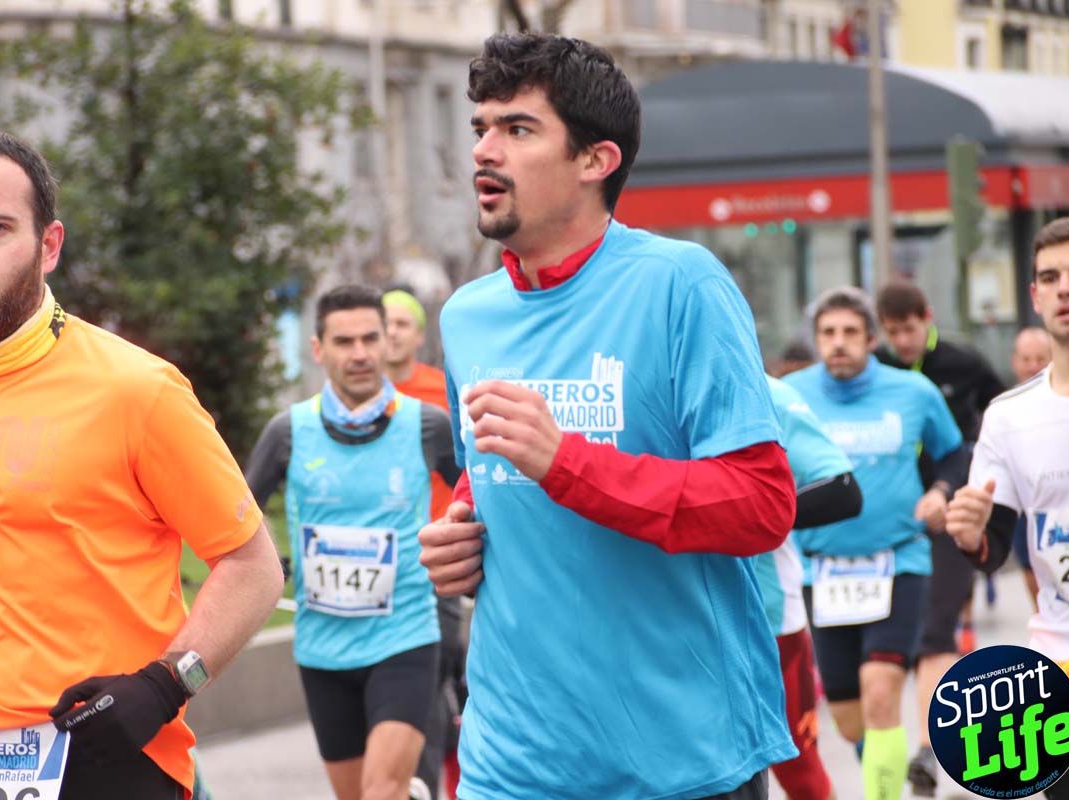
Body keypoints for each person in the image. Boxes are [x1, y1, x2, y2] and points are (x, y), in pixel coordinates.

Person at [419, 33, 799, 800]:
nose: (485, 151)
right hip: (511, 762)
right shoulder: (466, 316)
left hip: (677, 760)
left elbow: (762, 506)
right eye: (479, 128)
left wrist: (568, 464)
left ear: (597, 160)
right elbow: (488, 475)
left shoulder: (680, 285)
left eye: (518, 129)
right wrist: (462, 529)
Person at [0, 129, 284, 800]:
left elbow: (252, 567)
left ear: (49, 245)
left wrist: (166, 685)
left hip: (105, 756)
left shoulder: (138, 389)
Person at [245, 285, 460, 800]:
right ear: (319, 349)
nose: (359, 353)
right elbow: (238, 514)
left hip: (405, 638)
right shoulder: (288, 431)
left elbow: (479, 499)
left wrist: (463, 544)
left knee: (381, 791)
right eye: (344, 341)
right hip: (322, 649)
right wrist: (269, 562)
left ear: (388, 343)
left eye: (370, 338)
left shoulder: (427, 425)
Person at [785, 286, 966, 800]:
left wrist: (941, 491)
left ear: (870, 338)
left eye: (849, 333)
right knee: (847, 717)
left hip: (898, 559)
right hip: (820, 570)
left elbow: (954, 454)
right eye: (827, 333)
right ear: (817, 340)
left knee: (881, 691)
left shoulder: (912, 392)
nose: (838, 343)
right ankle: (882, 773)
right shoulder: (791, 395)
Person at [945, 216, 1069, 799]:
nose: (1065, 288)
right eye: (1051, 276)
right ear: (1033, 295)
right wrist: (971, 534)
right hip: (1066, 673)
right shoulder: (1009, 416)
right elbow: (994, 546)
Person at [873, 281, 1005, 796]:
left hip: (951, 515)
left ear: (926, 317)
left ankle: (928, 747)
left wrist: (977, 471)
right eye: (892, 332)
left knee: (936, 632)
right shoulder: (876, 368)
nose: (903, 341)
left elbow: (1000, 415)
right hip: (891, 523)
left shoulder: (962, 362)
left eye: (910, 329)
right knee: (892, 641)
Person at [756, 377, 862, 800]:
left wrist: (740, 513)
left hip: (767, 618)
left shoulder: (768, 393)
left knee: (797, 767)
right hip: (669, 618)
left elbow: (843, 492)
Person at [381, 287, 466, 800]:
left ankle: (427, 784)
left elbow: (466, 470)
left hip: (434, 560)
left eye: (400, 324)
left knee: (433, 680)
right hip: (375, 564)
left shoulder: (439, 390)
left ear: (416, 334)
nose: (391, 333)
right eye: (383, 323)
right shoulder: (352, 400)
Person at [1008, 325, 1052, 611]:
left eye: (1040, 358)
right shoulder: (1005, 408)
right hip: (1024, 504)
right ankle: (1043, 622)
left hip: (1066, 505)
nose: (1032, 366)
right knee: (1028, 566)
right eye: (1026, 359)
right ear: (1015, 362)